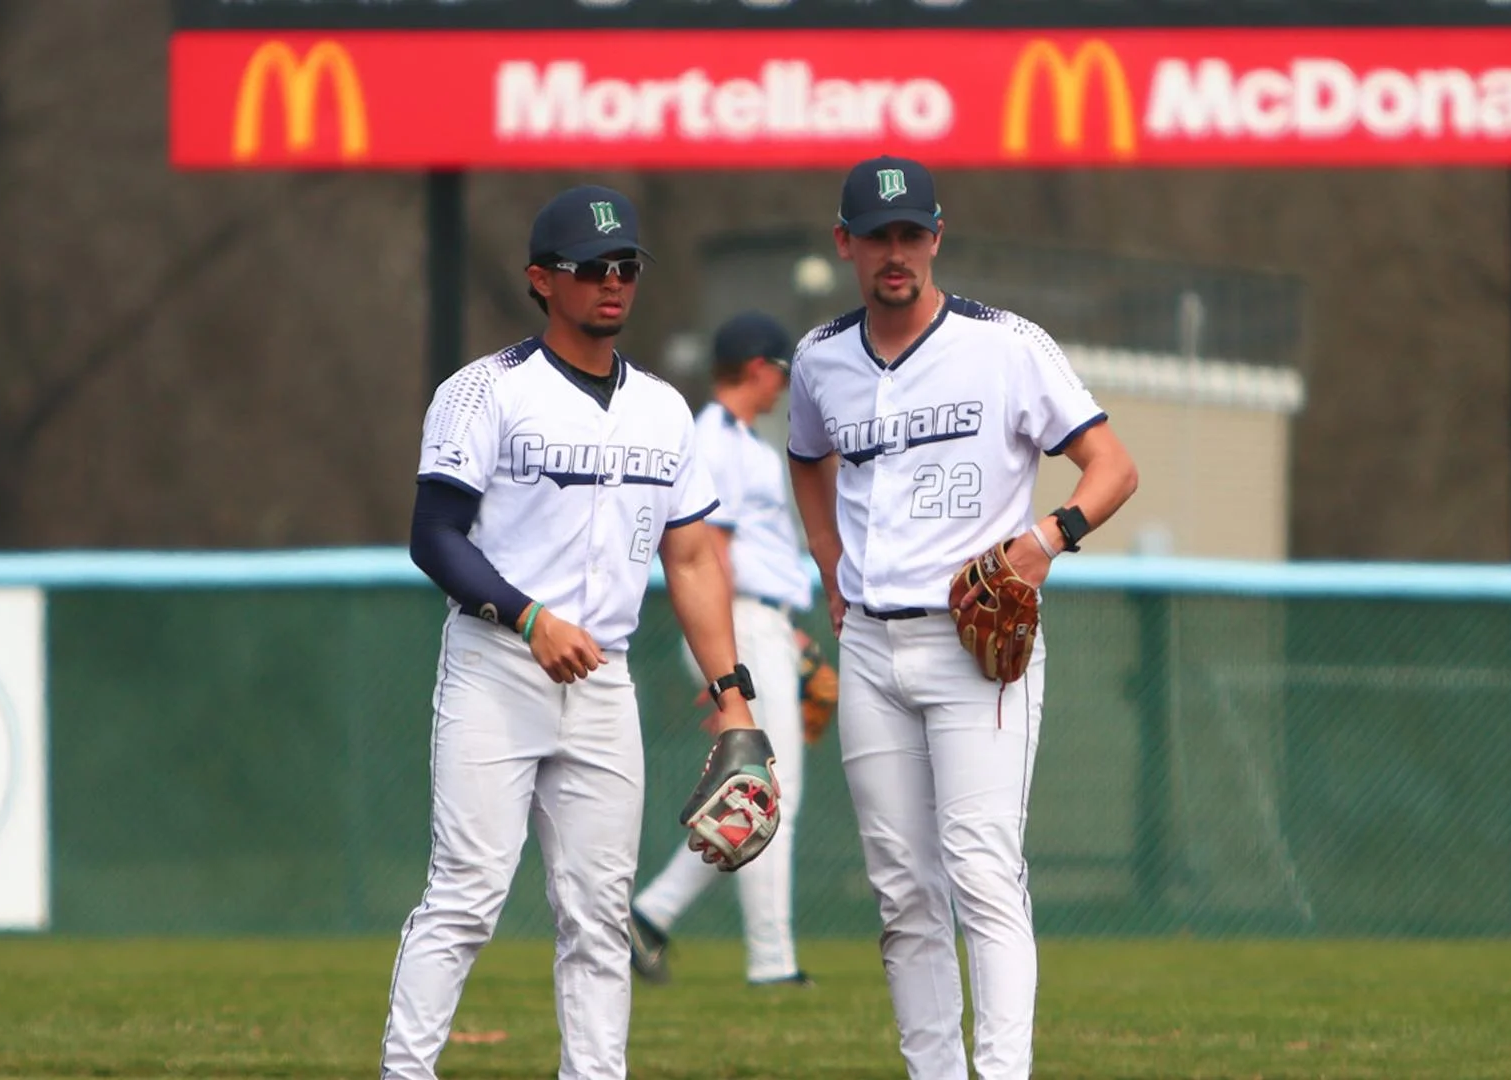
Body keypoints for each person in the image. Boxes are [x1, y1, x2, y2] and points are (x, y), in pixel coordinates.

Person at [382, 184, 768, 1080]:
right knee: (469, 896)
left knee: (599, 912)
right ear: (540, 280)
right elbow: (432, 535)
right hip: (497, 664)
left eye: (625, 266)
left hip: (605, 679)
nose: (612, 282)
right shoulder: (486, 392)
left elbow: (696, 560)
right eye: (590, 267)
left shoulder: (665, 411)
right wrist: (526, 616)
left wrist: (733, 698)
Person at [785, 157, 1139, 1080]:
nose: (894, 253)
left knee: (981, 870)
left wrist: (1047, 539)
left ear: (936, 237)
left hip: (974, 646)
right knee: (903, 893)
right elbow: (805, 459)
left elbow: (1112, 468)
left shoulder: (1005, 345)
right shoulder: (820, 358)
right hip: (868, 645)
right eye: (876, 236)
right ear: (845, 244)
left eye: (911, 234)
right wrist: (829, 562)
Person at [628, 311, 817, 989]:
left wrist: (785, 633)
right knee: (772, 796)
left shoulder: (736, 439)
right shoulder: (720, 443)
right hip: (734, 624)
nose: (781, 388)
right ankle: (772, 963)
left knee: (751, 796)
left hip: (758, 623)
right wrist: (728, 676)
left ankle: (649, 916)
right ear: (760, 368)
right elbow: (714, 555)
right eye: (780, 374)